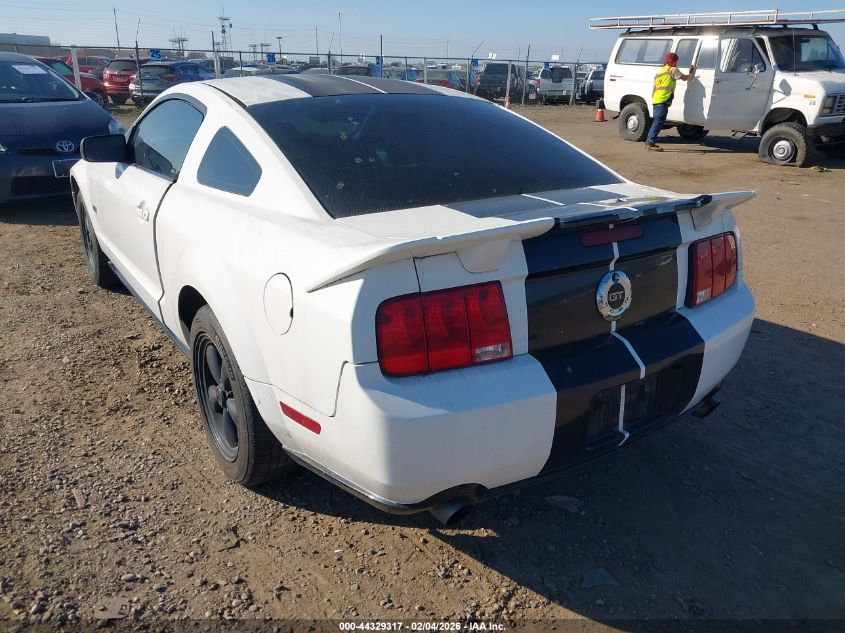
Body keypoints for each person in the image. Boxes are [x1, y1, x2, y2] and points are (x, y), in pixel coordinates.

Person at [645, 52, 696, 151]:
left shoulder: (659, 72)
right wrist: (692, 73)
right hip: (663, 99)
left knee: (656, 122)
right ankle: (650, 144)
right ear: (674, 61)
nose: (677, 63)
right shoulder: (673, 70)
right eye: (676, 60)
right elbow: (684, 78)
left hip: (656, 100)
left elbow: (654, 88)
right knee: (658, 122)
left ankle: (649, 142)